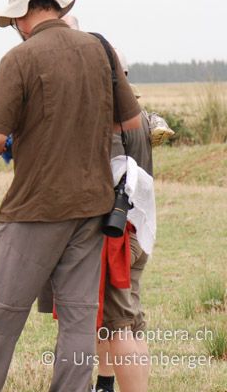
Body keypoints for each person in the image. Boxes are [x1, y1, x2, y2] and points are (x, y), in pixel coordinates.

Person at [0, 0, 142, 392]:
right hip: (94, 207)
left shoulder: (20, 58)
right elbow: (130, 120)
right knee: (78, 319)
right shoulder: (99, 49)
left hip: (36, 207)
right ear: (55, 5)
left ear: (20, 17)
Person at [93, 48, 155, 392]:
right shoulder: (141, 117)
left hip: (119, 234)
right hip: (141, 231)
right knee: (130, 324)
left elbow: (115, 175)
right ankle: (106, 384)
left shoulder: (113, 123)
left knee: (118, 327)